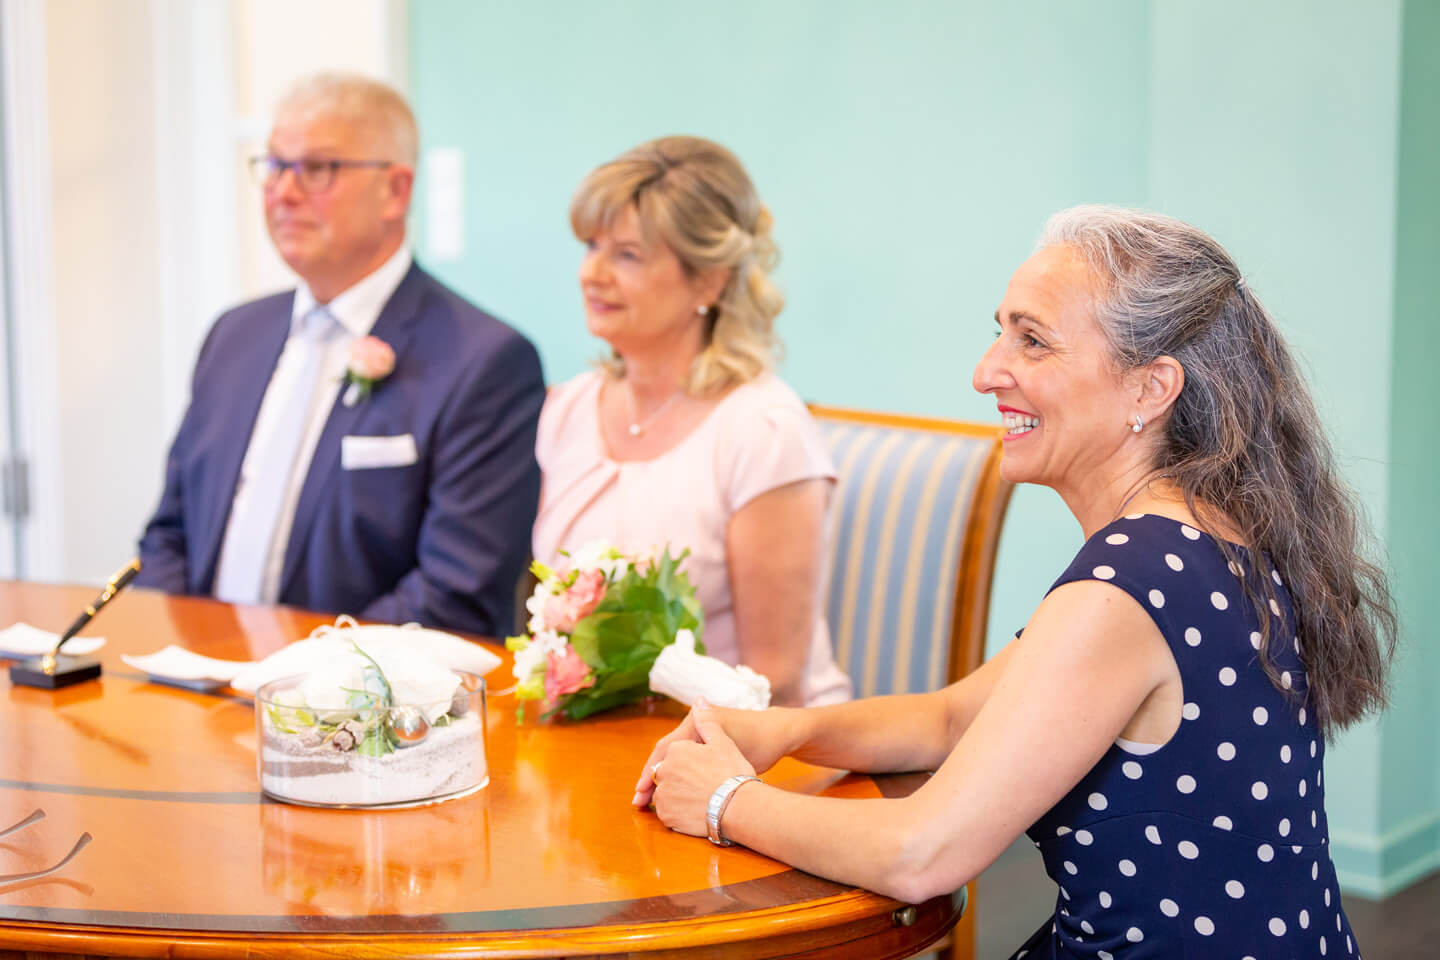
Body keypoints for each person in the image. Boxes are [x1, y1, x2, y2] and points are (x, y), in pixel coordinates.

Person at [635, 206, 1397, 958]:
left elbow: (921, 853)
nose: (986, 371)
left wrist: (723, 800)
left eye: (1032, 340)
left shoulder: (1127, 585)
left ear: (1149, 388)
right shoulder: (1209, 533)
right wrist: (792, 732)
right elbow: (951, 720)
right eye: (1000, 330)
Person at [137, 73, 544, 637]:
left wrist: (297, 678)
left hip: (359, 708)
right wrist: (176, 650)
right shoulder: (233, 335)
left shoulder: (485, 361)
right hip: (195, 688)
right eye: (275, 166)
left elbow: (457, 590)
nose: (283, 191)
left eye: (318, 168)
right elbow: (169, 534)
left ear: (396, 191)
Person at [532, 136, 850, 707]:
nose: (592, 273)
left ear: (709, 279)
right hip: (607, 738)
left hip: (754, 752)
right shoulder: (567, 411)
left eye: (626, 255)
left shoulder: (763, 431)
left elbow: (774, 679)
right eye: (591, 245)